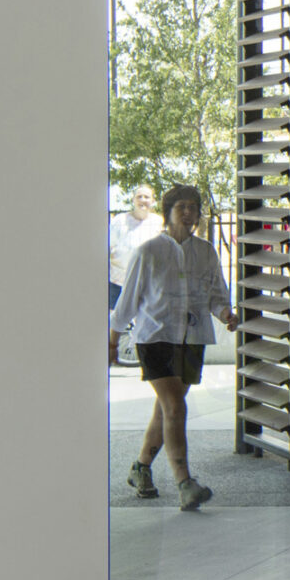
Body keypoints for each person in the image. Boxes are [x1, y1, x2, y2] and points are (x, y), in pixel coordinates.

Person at [109, 182, 238, 511]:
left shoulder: (205, 251)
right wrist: (112, 340)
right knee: (176, 408)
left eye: (192, 206)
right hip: (155, 337)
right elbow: (127, 301)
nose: (187, 212)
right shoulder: (150, 250)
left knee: (167, 408)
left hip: (192, 340)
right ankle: (185, 483)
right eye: (180, 206)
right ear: (167, 212)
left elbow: (217, 294)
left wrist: (225, 313)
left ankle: (141, 468)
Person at [107, 181, 155, 312]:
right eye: (139, 196)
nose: (142, 200)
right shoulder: (120, 220)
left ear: (153, 201)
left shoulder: (157, 223)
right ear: (133, 200)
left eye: (146, 197)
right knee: (114, 327)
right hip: (118, 284)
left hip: (146, 286)